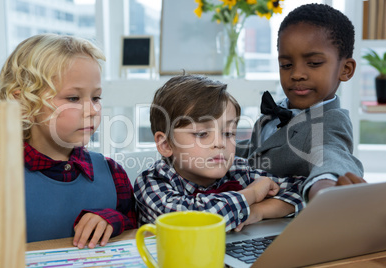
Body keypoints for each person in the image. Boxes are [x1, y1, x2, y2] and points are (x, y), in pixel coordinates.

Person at [0, 34, 136, 248]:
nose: (92, 111)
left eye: (96, 98)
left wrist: (114, 220)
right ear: (22, 104)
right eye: (73, 98)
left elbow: (136, 230)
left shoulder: (113, 173)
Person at [134, 74, 305, 232]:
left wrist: (258, 211)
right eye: (202, 134)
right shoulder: (152, 182)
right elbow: (197, 219)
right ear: (165, 145)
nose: (220, 143)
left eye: (228, 133)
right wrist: (251, 194)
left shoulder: (238, 171)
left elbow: (306, 192)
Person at [236, 3, 365, 202]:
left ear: (345, 69)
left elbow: (331, 154)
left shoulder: (330, 122)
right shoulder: (276, 110)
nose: (296, 74)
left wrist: (325, 187)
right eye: (286, 65)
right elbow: (256, 151)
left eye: (313, 63)